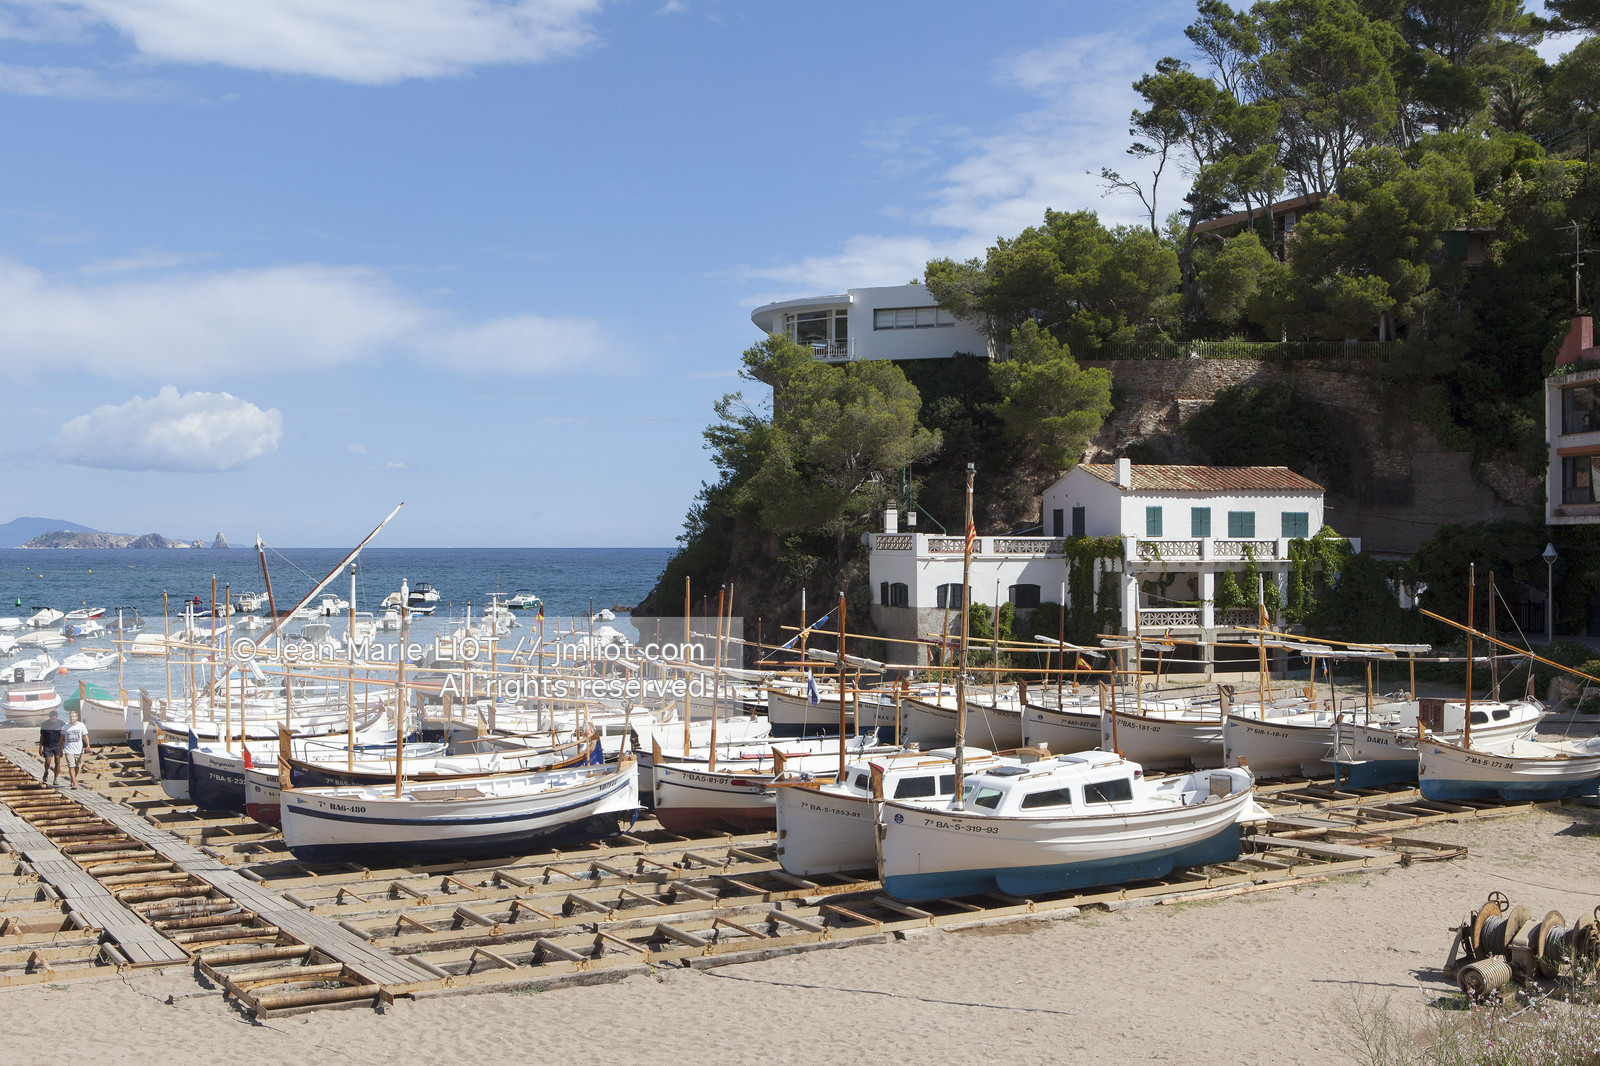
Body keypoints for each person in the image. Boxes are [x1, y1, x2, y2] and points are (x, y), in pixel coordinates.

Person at [61, 709, 89, 788]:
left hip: (78, 749)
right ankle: (74, 782)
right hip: (68, 749)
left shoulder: (81, 725)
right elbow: (61, 739)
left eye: (73, 716)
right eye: (70, 716)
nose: (72, 718)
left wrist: (88, 745)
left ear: (77, 717)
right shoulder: (65, 727)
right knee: (71, 766)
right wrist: (60, 749)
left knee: (77, 767)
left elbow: (85, 736)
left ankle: (73, 778)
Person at [38, 709, 64, 785]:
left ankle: (55, 779)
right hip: (47, 745)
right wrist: (40, 747)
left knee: (57, 761)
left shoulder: (61, 724)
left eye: (54, 719)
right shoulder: (45, 724)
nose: (53, 720)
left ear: (57, 717)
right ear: (49, 717)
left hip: (57, 745)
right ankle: (46, 771)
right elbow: (42, 736)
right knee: (48, 761)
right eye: (52, 719)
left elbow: (63, 736)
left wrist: (62, 748)